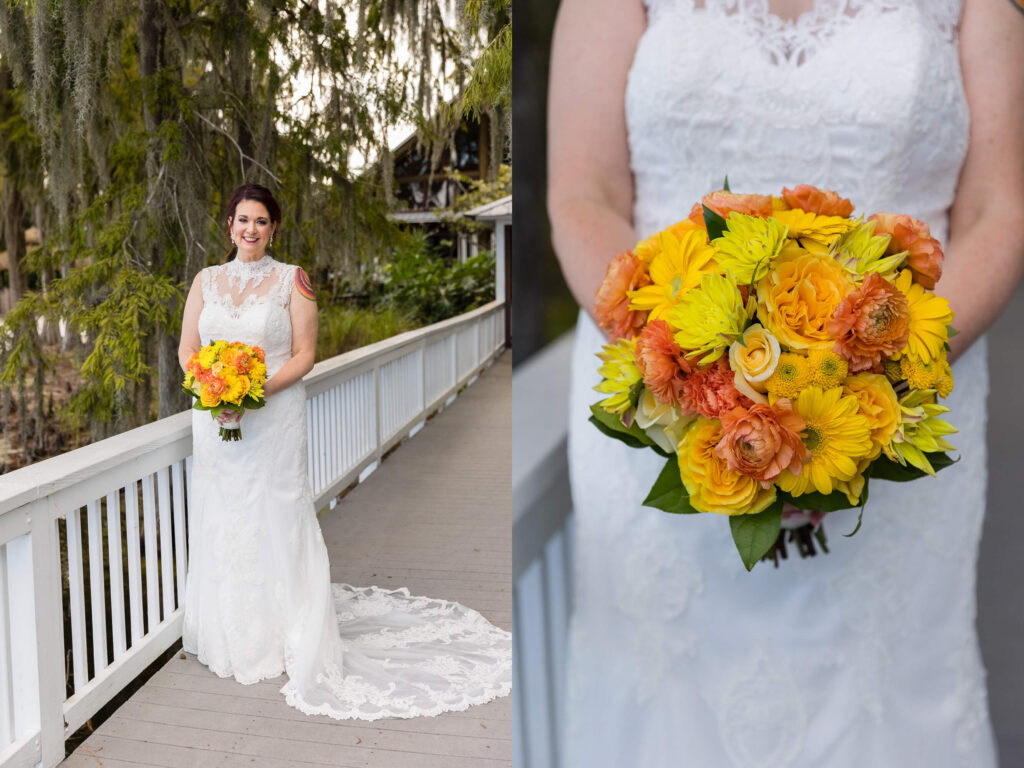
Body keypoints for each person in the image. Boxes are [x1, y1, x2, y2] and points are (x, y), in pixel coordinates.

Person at [547, 1, 1024, 765]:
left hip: (901, 413)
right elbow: (584, 195)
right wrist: (691, 386)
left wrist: (882, 392)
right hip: (662, 411)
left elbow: (997, 211)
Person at [177, 183, 511, 720]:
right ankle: (230, 635)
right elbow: (187, 347)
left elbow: (306, 354)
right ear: (228, 225)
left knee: (276, 514)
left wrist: (252, 393)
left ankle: (286, 632)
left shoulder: (294, 281)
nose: (250, 230)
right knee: (225, 516)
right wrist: (212, 389)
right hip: (212, 418)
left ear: (274, 228)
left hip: (273, 415)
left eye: (261, 221)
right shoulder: (205, 280)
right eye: (242, 220)